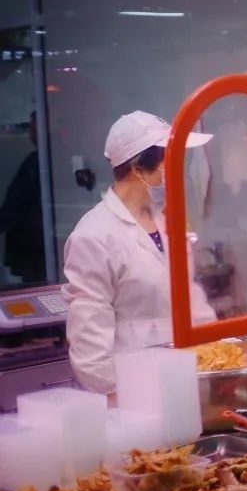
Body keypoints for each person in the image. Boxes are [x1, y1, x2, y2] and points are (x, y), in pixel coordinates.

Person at [62, 111, 216, 395]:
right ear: (137, 168)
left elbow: (191, 298)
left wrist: (218, 354)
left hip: (185, 378)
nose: (175, 171)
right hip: (131, 386)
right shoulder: (94, 236)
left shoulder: (167, 223)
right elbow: (89, 340)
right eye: (167, 162)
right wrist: (117, 397)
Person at [0, 111, 45, 283]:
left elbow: (17, 206)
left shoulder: (45, 162)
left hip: (36, 249)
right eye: (31, 128)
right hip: (27, 249)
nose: (31, 133)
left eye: (35, 128)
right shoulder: (33, 160)